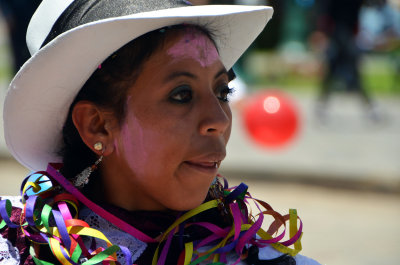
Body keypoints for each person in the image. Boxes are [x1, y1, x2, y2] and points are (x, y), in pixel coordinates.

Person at [0, 0, 321, 264]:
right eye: (181, 95)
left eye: (223, 92)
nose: (219, 120)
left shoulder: (263, 259)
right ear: (97, 124)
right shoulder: (19, 249)